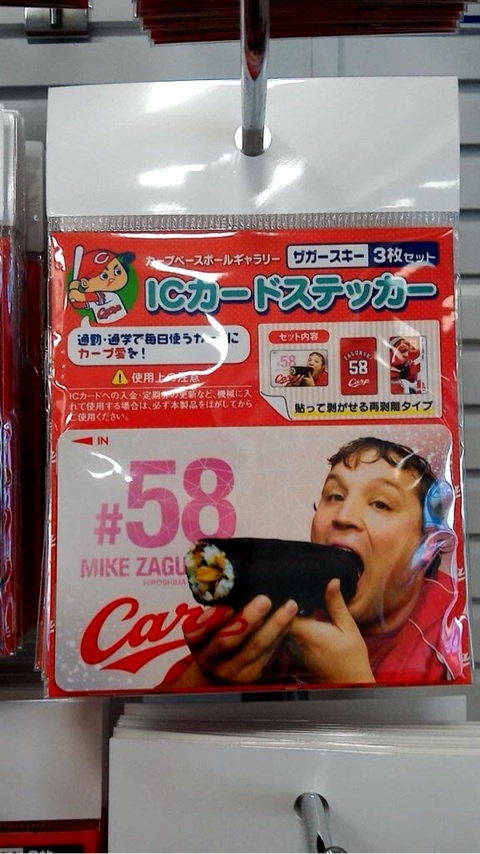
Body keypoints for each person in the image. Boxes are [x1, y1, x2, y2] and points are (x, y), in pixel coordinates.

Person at [165, 437, 464, 689]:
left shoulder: (447, 631)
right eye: (334, 496)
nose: (343, 516)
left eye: (380, 504)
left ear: (426, 545)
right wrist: (208, 676)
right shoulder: (278, 603)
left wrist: (350, 683)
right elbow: (160, 723)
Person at [68, 248, 135, 324]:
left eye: (118, 271)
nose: (112, 278)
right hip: (103, 330)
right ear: (85, 283)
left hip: (124, 326)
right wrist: (72, 292)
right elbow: (78, 305)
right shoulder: (94, 301)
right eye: (104, 276)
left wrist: (74, 290)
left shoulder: (110, 296)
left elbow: (81, 297)